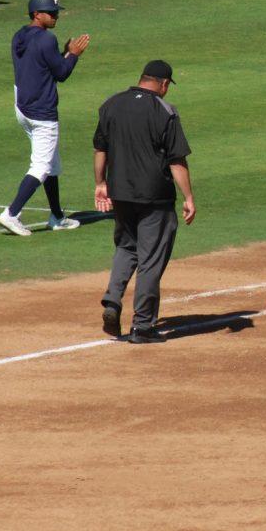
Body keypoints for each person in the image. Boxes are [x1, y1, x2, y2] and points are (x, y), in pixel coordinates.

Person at [92, 60, 196, 344]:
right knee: (150, 260)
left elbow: (100, 148)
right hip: (155, 197)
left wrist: (101, 183)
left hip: (120, 193)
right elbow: (176, 160)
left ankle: (113, 300)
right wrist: (188, 197)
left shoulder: (111, 104)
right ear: (163, 84)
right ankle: (143, 326)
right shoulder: (164, 111)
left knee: (127, 247)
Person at [0, 0, 90, 237]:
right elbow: (61, 73)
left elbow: (43, 65)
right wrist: (74, 55)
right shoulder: (47, 39)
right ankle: (11, 213)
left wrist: (65, 54)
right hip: (42, 112)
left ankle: (56, 216)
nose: (56, 16)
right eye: (52, 12)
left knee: (52, 164)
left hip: (23, 108)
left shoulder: (20, 35)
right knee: (40, 166)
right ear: (37, 15)